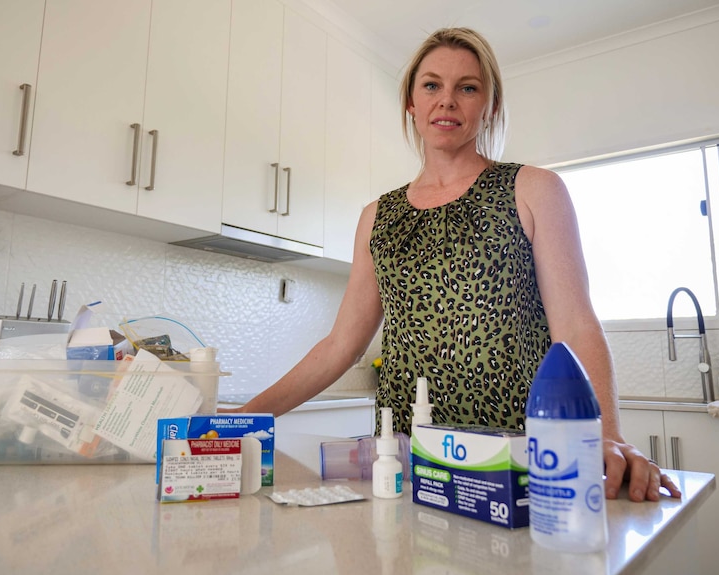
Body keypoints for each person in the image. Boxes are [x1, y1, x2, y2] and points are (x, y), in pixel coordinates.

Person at [224, 27, 680, 502]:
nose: (447, 101)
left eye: (468, 87)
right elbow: (340, 345)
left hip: (520, 462)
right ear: (411, 105)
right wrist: (240, 421)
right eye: (431, 86)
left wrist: (608, 435)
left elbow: (576, 327)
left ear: (490, 106)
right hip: (409, 464)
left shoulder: (534, 189)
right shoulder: (377, 217)